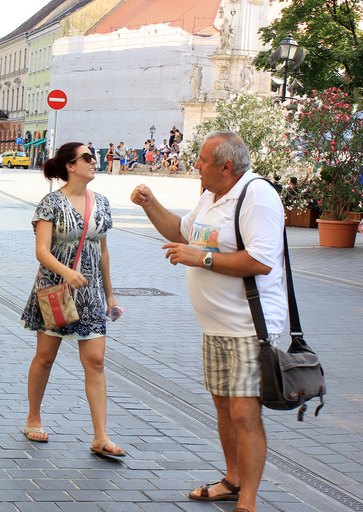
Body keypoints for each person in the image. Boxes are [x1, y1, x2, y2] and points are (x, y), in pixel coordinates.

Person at [130, 130, 286, 512]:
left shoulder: (257, 197)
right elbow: (181, 233)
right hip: (214, 326)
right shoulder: (210, 195)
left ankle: (246, 500)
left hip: (250, 326)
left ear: (226, 166)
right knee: (222, 405)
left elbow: (261, 261)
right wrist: (151, 205)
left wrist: (201, 258)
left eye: (201, 161)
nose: (195, 166)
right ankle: (232, 480)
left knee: (244, 413)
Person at [20, 142, 125, 458]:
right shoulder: (51, 203)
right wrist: (67, 272)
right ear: (70, 165)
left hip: (90, 295)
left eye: (94, 157)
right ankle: (33, 417)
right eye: (87, 158)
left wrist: (109, 294)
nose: (95, 162)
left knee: (95, 361)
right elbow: (41, 250)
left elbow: (103, 251)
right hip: (57, 292)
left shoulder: (102, 203)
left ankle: (101, 436)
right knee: (46, 357)